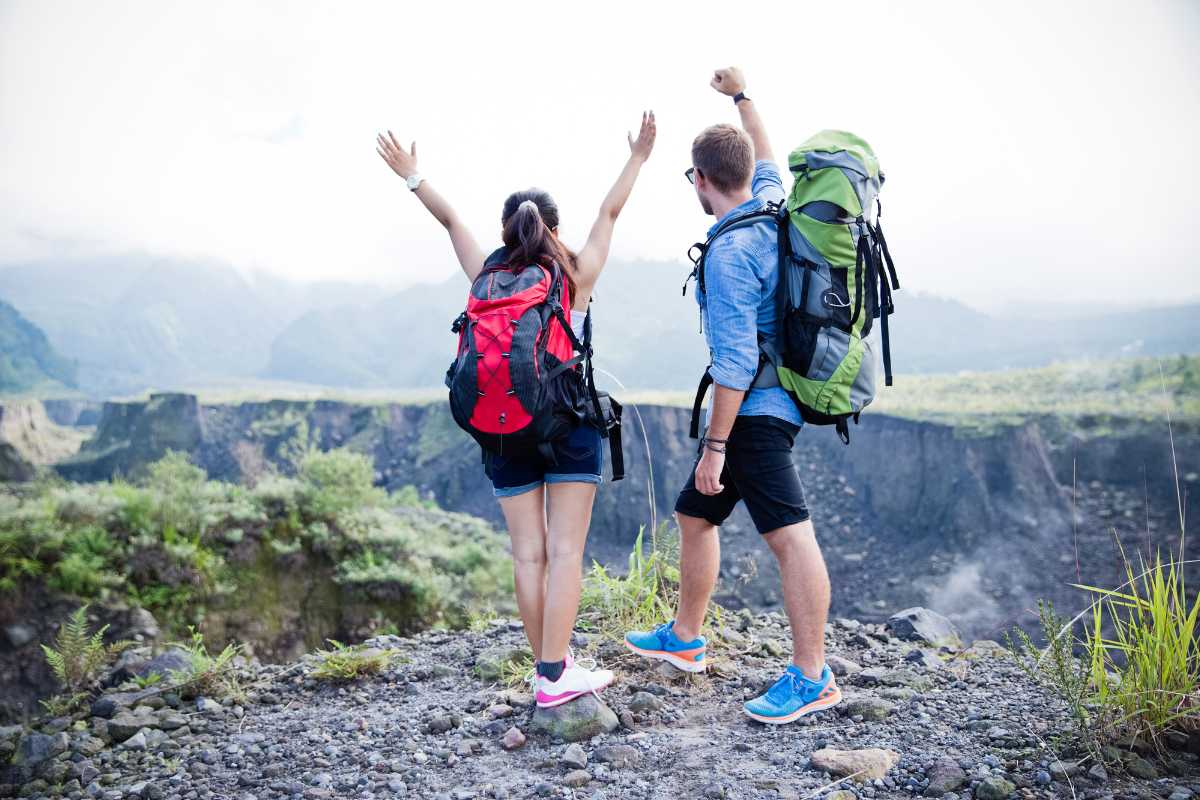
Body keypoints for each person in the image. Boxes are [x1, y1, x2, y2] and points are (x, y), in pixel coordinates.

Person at [376, 111, 656, 708]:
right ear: (552, 228)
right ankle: (556, 676)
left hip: (501, 427)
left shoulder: (487, 274)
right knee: (565, 554)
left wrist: (412, 175)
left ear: (506, 232)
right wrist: (637, 158)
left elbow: (450, 218)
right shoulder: (572, 273)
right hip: (569, 422)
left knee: (529, 554)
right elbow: (610, 214)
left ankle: (548, 668)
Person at [624, 69, 842, 724]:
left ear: (699, 179)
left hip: (753, 415)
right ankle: (686, 638)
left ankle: (812, 677)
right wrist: (743, 96)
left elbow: (736, 362)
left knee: (791, 539)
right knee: (697, 517)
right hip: (777, 399)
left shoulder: (727, 254)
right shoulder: (774, 201)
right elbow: (764, 146)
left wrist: (715, 447)